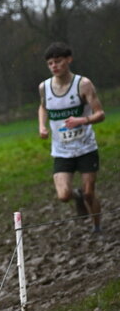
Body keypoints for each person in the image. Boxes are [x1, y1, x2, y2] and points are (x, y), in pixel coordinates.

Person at [38, 42, 106, 232]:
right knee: (63, 195)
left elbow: (100, 114)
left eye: (58, 61)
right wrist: (42, 126)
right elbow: (43, 107)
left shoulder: (83, 84)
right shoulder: (44, 87)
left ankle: (97, 226)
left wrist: (82, 120)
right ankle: (76, 196)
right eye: (50, 63)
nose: (54, 66)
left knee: (89, 193)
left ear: (69, 60)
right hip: (61, 151)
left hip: (86, 148)